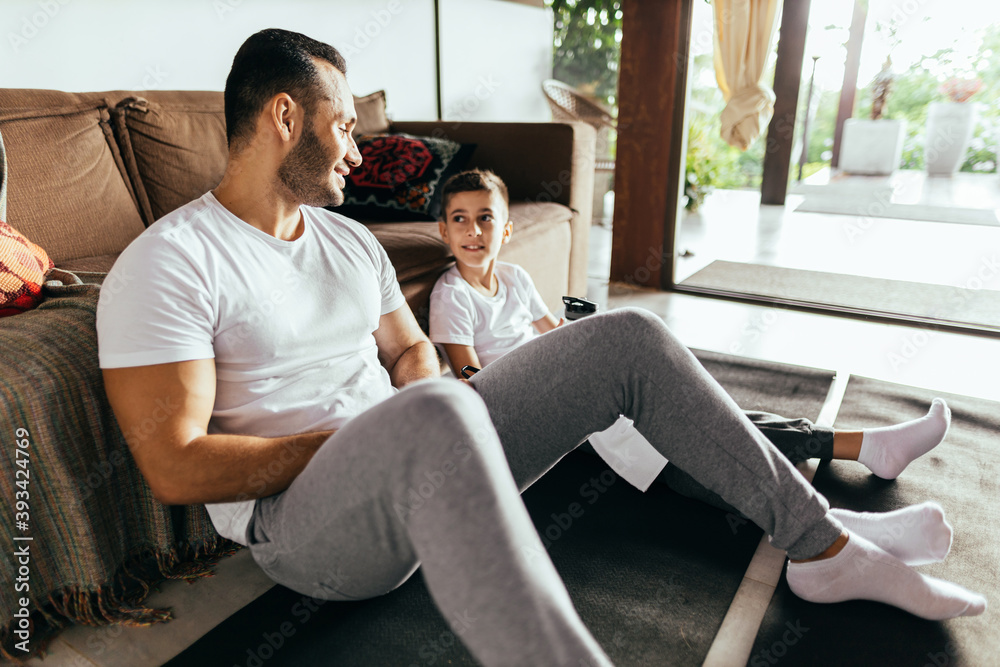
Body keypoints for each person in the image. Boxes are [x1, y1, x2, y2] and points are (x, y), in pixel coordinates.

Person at [95, 29, 986, 667]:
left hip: (422, 449)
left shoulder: (347, 241)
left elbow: (409, 353)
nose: (358, 150)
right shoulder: (170, 263)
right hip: (310, 531)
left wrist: (422, 398)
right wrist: (381, 438)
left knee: (626, 337)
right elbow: (175, 467)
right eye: (344, 125)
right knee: (442, 406)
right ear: (285, 116)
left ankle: (823, 547)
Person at [429, 168, 955, 501]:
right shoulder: (452, 294)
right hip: (521, 400)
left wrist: (580, 338)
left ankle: (854, 449)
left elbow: (550, 332)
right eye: (460, 220)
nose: (474, 232)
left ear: (507, 228)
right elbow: (470, 373)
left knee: (692, 409)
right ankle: (839, 477)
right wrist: (541, 381)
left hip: (555, 377)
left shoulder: (516, 279)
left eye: (485, 219)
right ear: (444, 232)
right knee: (678, 435)